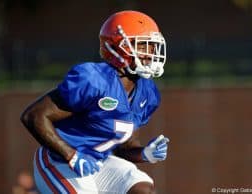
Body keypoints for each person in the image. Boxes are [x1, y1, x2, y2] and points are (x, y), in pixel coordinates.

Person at [20, 10, 169, 194]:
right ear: (120, 47)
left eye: (153, 47)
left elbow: (124, 146)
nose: (151, 53)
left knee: (143, 189)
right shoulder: (94, 81)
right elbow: (33, 116)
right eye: (144, 46)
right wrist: (71, 155)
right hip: (58, 161)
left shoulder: (148, 93)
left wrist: (144, 153)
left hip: (98, 161)